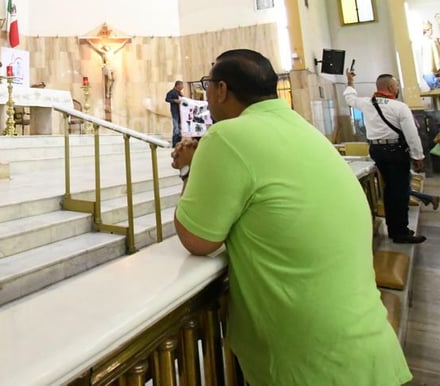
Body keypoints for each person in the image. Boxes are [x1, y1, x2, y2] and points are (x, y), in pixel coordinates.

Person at [173, 50, 411, 385]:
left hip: (310, 361)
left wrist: (189, 166)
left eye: (207, 86)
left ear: (222, 89)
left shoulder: (226, 135)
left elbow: (197, 238)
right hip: (367, 346)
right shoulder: (303, 128)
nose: (206, 95)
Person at [344, 70, 426, 243]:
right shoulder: (399, 107)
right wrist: (418, 157)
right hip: (395, 151)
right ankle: (399, 232)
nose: (397, 88)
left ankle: (395, 228)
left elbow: (349, 98)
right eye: (396, 85)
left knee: (390, 190)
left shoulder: (367, 103)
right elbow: (412, 135)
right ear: (390, 87)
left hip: (376, 150)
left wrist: (350, 81)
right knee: (400, 191)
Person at [165, 80, 183, 146]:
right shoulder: (171, 92)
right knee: (176, 127)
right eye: (181, 85)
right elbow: (167, 99)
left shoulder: (180, 93)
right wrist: (175, 101)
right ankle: (175, 143)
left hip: (180, 113)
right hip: (175, 112)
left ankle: (179, 142)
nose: (182, 87)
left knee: (180, 127)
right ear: (177, 85)